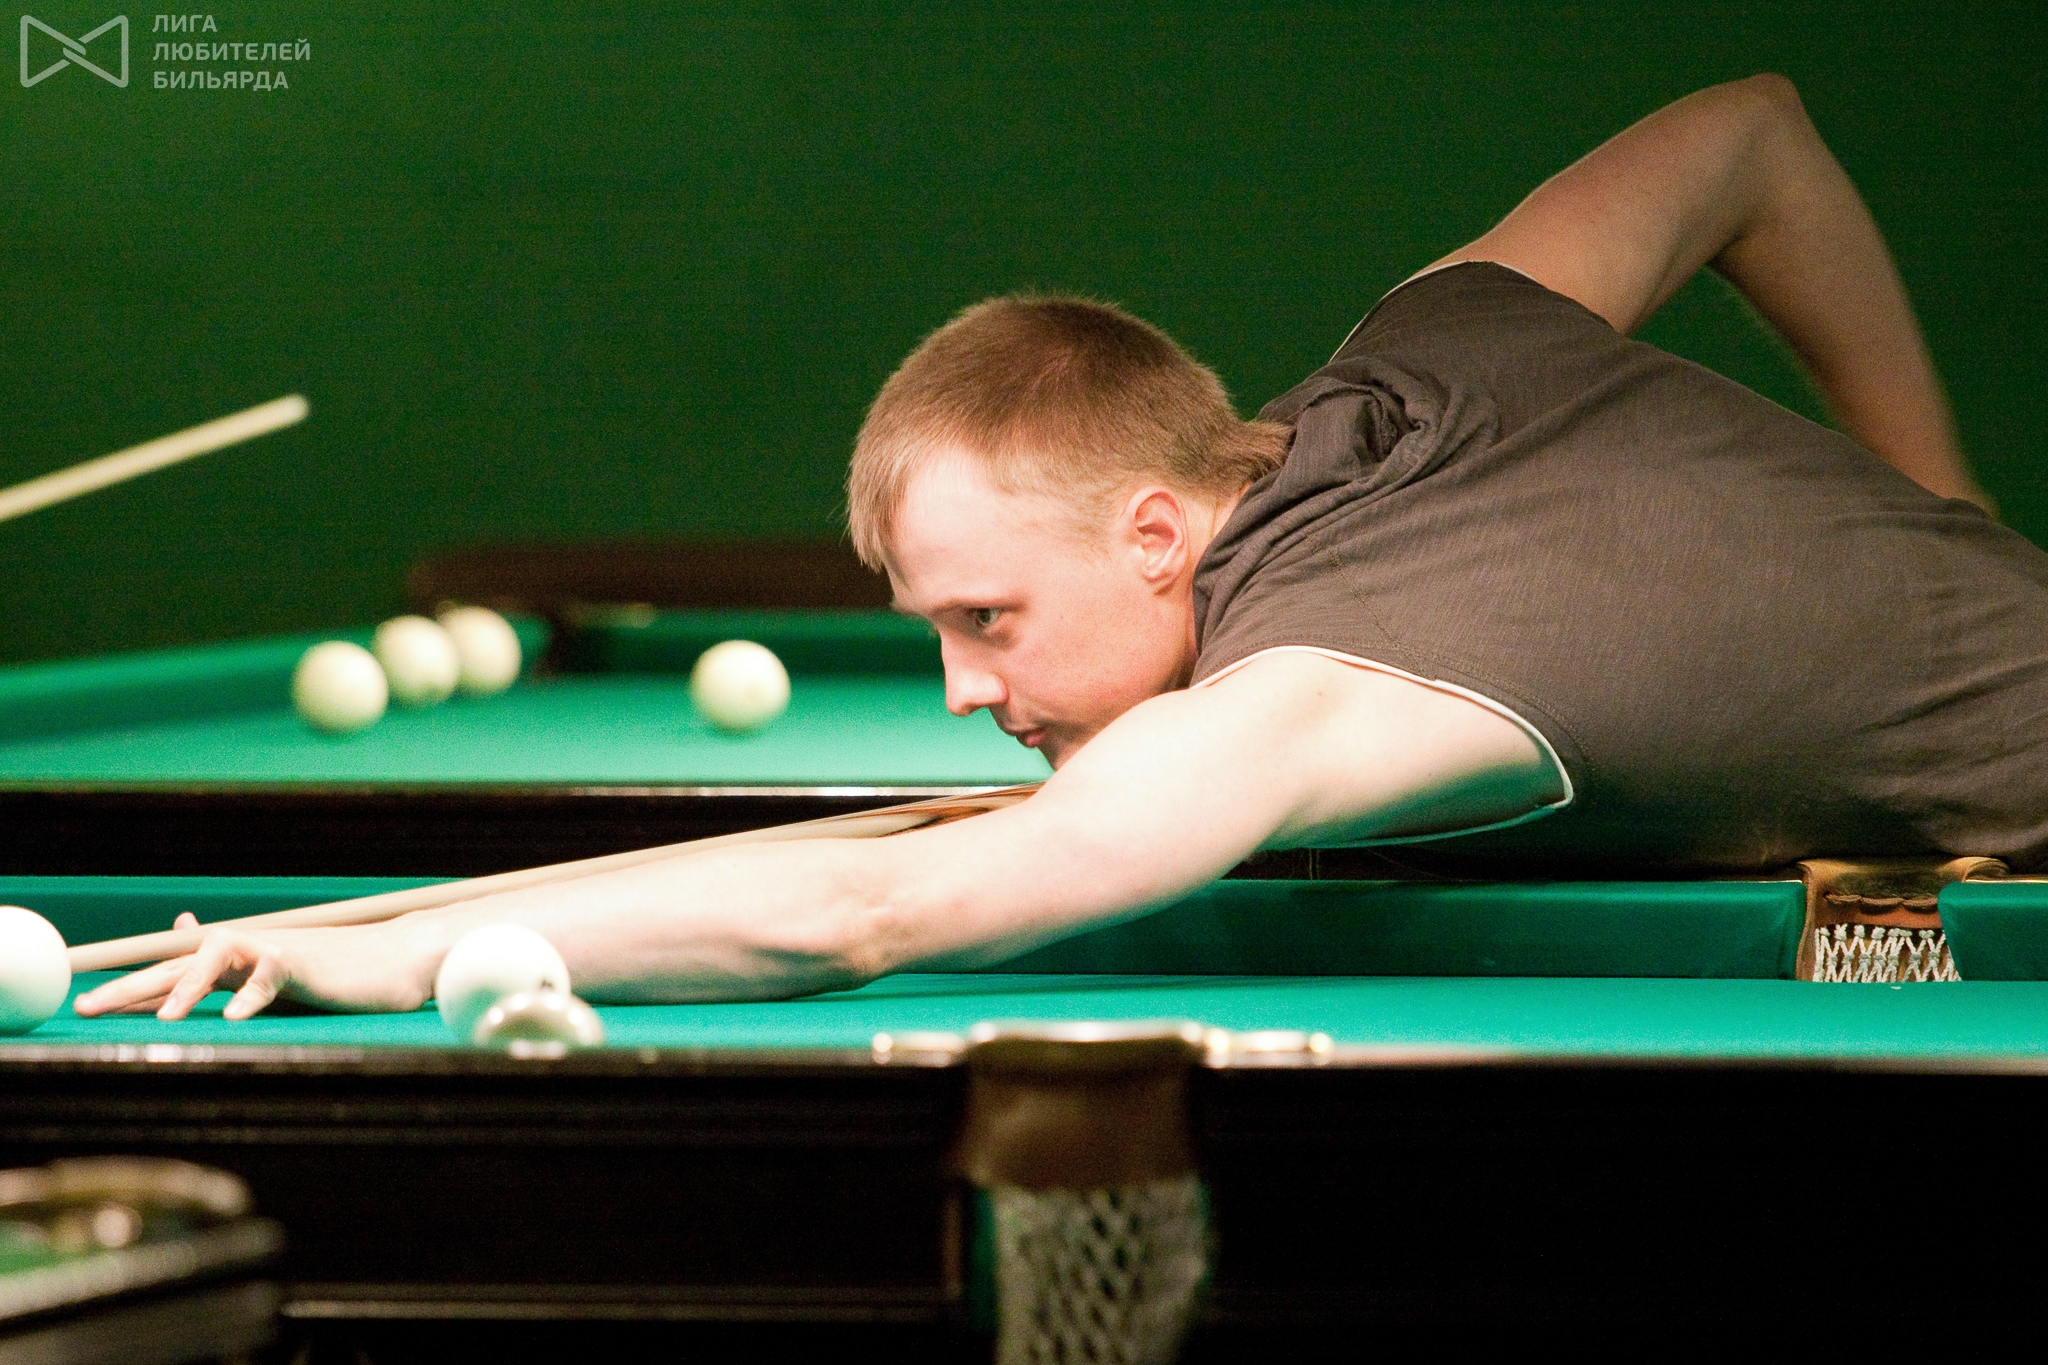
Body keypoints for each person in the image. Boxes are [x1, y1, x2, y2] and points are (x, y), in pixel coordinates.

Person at [76, 74, 2048, 1023]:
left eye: (987, 616)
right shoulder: (1443, 333)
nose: (959, 687)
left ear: (1157, 526)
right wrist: (1946, 500)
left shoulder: (1313, 689)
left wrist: (361, 974)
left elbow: (873, 910)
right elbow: (1753, 136)